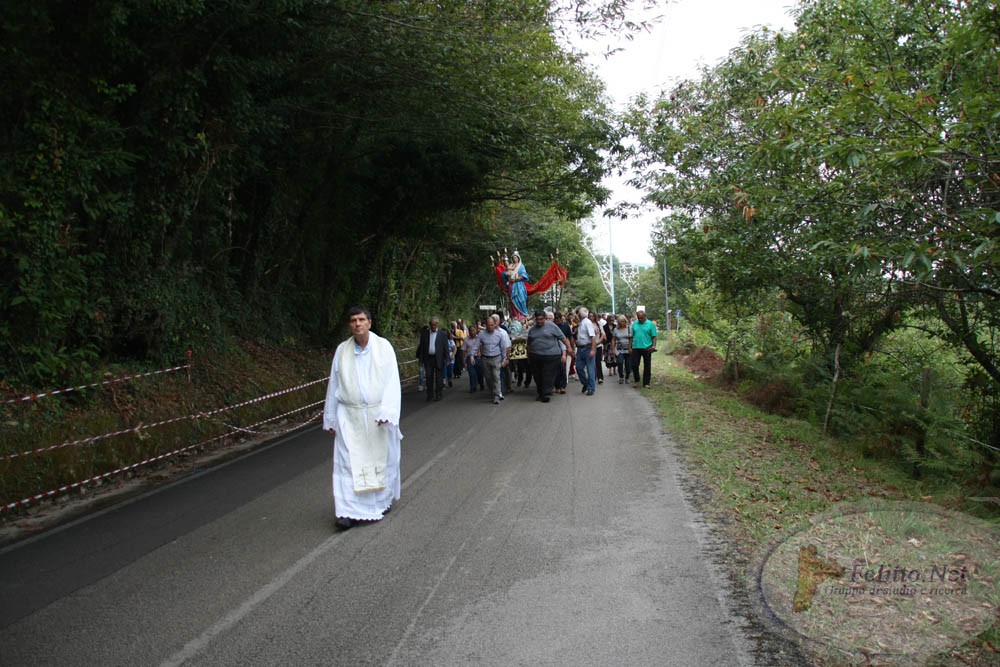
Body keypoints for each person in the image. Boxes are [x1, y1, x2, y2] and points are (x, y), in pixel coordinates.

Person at [323, 307, 402, 530]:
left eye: (361, 320)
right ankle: (347, 511)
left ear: (369, 322)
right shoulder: (342, 351)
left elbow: (392, 381)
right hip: (350, 415)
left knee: (382, 461)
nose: (357, 324)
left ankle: (380, 501)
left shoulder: (383, 348)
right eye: (353, 321)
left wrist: (388, 411)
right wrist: (330, 418)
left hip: (378, 416)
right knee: (348, 463)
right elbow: (334, 384)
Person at [526, 309, 569, 402]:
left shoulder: (552, 326)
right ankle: (541, 392)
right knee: (537, 376)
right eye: (537, 319)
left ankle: (545, 393)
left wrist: (569, 349)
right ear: (535, 319)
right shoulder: (532, 330)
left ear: (545, 318)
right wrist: (529, 356)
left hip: (551, 355)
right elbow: (528, 344)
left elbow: (563, 338)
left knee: (547, 375)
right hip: (535, 355)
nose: (539, 321)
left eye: (541, 319)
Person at [478, 315, 510, 404]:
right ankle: (493, 391)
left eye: (492, 325)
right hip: (485, 358)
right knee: (488, 377)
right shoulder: (481, 334)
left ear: (495, 324)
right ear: (485, 325)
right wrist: (472, 356)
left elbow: (504, 347)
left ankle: (496, 395)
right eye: (488, 325)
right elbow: (476, 345)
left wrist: (505, 359)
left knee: (496, 376)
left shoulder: (501, 334)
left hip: (496, 358)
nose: (490, 327)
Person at [416, 316, 449, 401]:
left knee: (439, 378)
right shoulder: (425, 334)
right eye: (432, 324)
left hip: (438, 358)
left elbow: (446, 347)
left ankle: (439, 394)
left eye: (435, 324)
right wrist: (421, 359)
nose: (433, 326)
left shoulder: (442, 334)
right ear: (429, 324)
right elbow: (422, 347)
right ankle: (429, 395)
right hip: (428, 359)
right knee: (429, 377)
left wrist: (447, 358)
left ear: (437, 324)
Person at [630, 308, 658, 388]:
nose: (640, 319)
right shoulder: (635, 324)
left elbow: (654, 336)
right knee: (634, 365)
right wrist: (630, 347)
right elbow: (631, 336)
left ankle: (646, 383)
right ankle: (637, 380)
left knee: (647, 365)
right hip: (636, 347)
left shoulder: (650, 324)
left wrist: (654, 346)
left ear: (645, 316)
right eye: (638, 318)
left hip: (647, 347)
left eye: (641, 318)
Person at [575, 306, 599, 396]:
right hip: (580, 349)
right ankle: (585, 383)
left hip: (587, 348)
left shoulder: (587, 323)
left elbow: (592, 336)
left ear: (580, 314)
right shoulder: (581, 323)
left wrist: (593, 349)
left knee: (590, 369)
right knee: (579, 367)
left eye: (577, 313)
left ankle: (591, 388)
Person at [504, 251, 530, 318]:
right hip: (511, 285)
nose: (515, 259)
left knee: (521, 300)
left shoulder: (521, 266)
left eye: (516, 258)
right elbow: (506, 272)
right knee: (512, 300)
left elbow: (525, 275)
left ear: (518, 258)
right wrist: (508, 275)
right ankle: (515, 316)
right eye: (513, 258)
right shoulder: (511, 265)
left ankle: (522, 315)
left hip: (519, 285)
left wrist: (518, 278)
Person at [553, 311, 573, 394]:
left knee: (563, 368)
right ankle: (557, 386)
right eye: (556, 320)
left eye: (558, 320)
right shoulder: (553, 326)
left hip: (564, 348)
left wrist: (571, 347)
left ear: (561, 319)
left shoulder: (565, 326)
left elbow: (570, 337)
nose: (557, 322)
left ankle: (563, 386)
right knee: (556, 369)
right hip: (554, 349)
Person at [464, 323, 485, 392]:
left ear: (476, 330)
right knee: (472, 373)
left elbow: (482, 347)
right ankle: (473, 387)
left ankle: (481, 384)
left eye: (473, 330)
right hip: (469, 358)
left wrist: (481, 353)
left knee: (480, 373)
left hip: (478, 358)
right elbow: (463, 350)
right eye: (470, 330)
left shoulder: (479, 338)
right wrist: (463, 360)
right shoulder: (466, 340)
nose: (472, 332)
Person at [612, 315, 632, 383]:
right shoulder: (616, 329)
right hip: (619, 349)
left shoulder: (629, 328)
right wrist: (613, 349)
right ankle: (621, 376)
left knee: (628, 365)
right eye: (620, 321)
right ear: (618, 322)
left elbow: (631, 339)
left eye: (623, 321)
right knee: (620, 362)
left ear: (625, 321)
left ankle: (627, 377)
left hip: (628, 349)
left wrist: (630, 348)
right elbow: (613, 339)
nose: (622, 323)